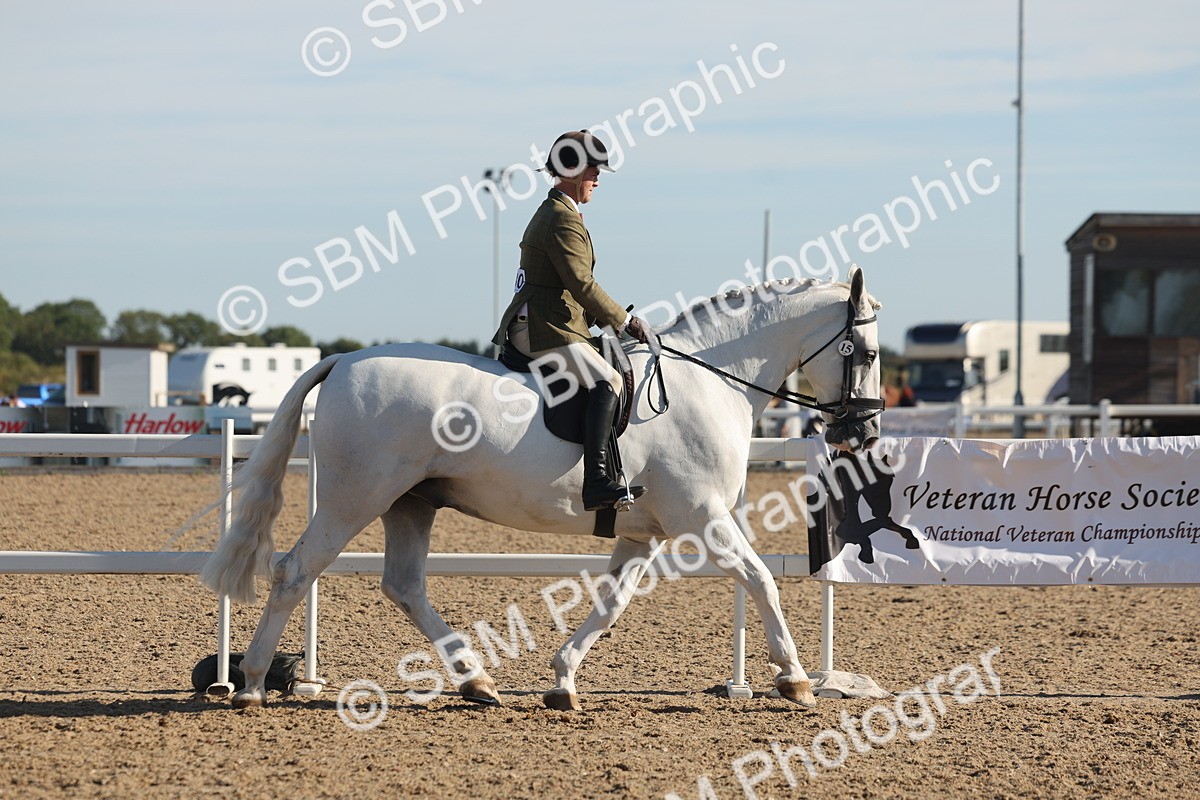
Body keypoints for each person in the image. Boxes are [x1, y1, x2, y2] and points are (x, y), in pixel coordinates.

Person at [491, 130, 651, 512]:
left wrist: (605, 321)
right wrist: (624, 320)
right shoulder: (560, 218)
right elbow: (581, 283)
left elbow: (569, 284)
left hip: (555, 320)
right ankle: (597, 482)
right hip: (542, 327)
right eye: (593, 170)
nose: (597, 179)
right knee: (608, 379)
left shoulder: (561, 212)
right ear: (574, 170)